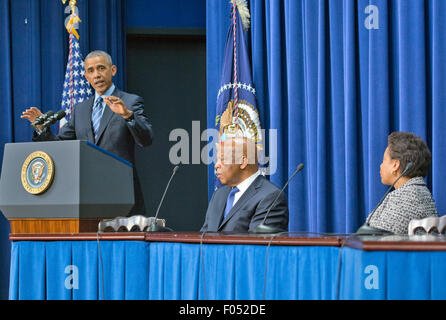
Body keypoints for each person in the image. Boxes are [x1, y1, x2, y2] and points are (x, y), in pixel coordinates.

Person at [21, 50, 153, 216]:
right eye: (91, 71)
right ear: (85, 76)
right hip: (87, 196)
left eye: (101, 68)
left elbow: (146, 139)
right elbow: (61, 146)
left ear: (113, 70)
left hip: (122, 194)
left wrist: (127, 115)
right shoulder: (80, 109)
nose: (96, 75)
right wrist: (42, 129)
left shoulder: (130, 102)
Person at [200, 137, 289, 232]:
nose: (216, 165)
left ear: (243, 162)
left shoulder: (271, 197)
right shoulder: (219, 194)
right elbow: (204, 236)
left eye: (222, 159)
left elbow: (257, 243)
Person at [364, 131, 438, 234]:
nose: (381, 166)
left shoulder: (405, 197)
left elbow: (374, 239)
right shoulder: (421, 193)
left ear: (395, 165)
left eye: (384, 160)